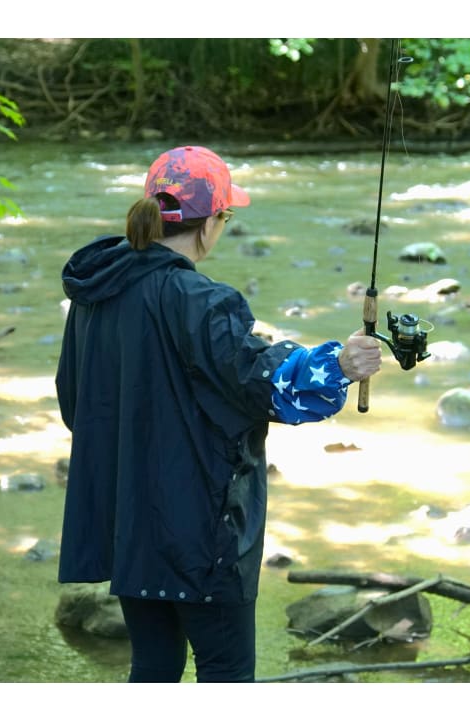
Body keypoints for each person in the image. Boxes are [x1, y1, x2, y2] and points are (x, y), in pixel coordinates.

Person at [55, 145, 381, 683]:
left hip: (129, 526)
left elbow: (76, 403)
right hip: (202, 534)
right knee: (226, 673)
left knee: (153, 667)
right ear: (210, 224)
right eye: (227, 216)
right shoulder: (201, 300)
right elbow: (262, 385)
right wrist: (340, 364)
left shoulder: (96, 293)